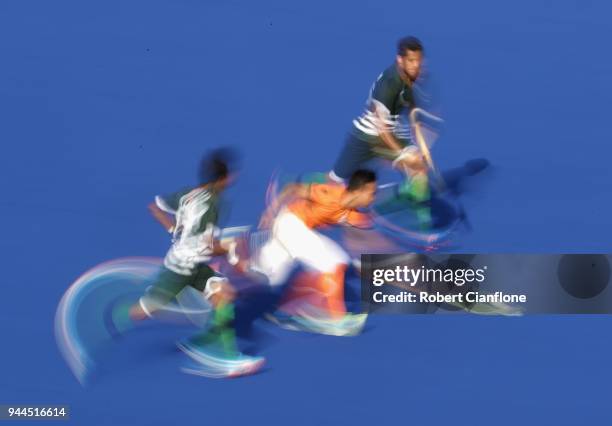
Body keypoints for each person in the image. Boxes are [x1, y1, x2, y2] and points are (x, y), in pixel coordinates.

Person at [125, 148, 264, 377]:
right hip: (180, 269)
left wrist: (173, 229)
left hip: (194, 265)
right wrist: (232, 247)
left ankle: (224, 355)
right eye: (232, 174)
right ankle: (111, 321)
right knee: (140, 312)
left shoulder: (187, 193)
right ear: (225, 178)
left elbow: (155, 207)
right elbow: (208, 246)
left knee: (224, 295)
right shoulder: (216, 205)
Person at [247, 169, 377, 334]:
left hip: (291, 230)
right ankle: (335, 317)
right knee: (334, 262)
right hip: (290, 224)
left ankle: (282, 310)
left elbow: (364, 237)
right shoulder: (329, 193)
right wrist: (270, 211)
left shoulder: (353, 214)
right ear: (359, 191)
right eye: (372, 193)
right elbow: (292, 188)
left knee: (265, 280)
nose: (374, 197)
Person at [329, 36, 431, 205]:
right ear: (400, 60)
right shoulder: (388, 85)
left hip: (392, 133)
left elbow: (413, 115)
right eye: (411, 60)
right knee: (334, 183)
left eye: (418, 61)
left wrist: (422, 148)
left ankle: (420, 218)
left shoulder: (412, 79)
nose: (416, 65)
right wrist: (403, 154)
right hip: (366, 137)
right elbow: (383, 131)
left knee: (419, 170)